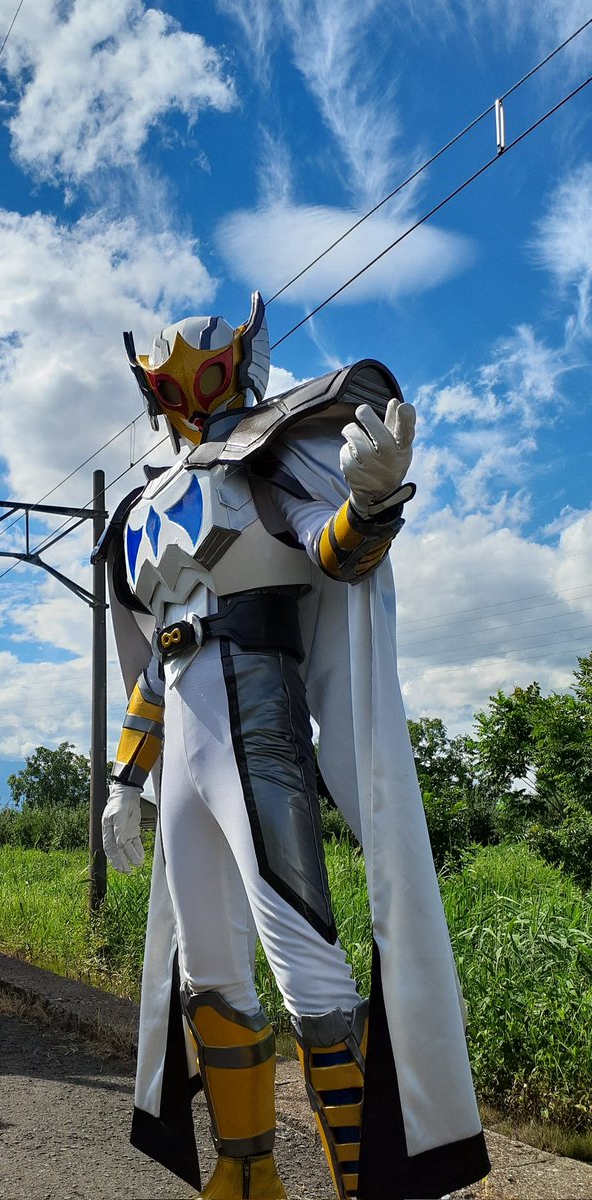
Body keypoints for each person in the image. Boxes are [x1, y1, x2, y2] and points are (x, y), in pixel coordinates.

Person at [95, 293, 490, 1200]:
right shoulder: (142, 506)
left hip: (258, 710)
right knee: (207, 968)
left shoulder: (268, 457)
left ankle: (361, 1182)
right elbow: (155, 662)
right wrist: (124, 780)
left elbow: (335, 550)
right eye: (170, 382)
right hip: (185, 730)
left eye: (205, 374)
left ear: (240, 365)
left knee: (305, 961)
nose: (190, 396)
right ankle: (246, 1173)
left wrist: (372, 499)